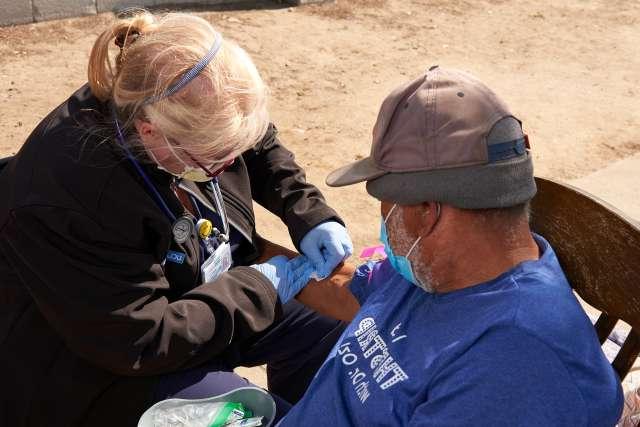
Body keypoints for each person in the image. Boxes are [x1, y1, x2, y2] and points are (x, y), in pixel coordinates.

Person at [0, 11, 353, 426]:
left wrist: (309, 213)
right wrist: (258, 287)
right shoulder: (70, 200)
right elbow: (141, 341)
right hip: (103, 368)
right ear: (152, 133)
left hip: (190, 291)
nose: (229, 165)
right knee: (256, 418)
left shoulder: (170, 98)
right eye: (216, 160)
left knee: (327, 327)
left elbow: (254, 143)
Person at [279, 66, 624, 426]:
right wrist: (263, 263)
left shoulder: (511, 362)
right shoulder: (443, 267)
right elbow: (352, 292)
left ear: (428, 212)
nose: (383, 219)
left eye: (385, 203)